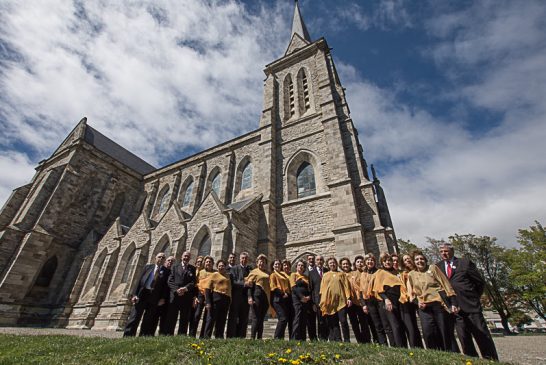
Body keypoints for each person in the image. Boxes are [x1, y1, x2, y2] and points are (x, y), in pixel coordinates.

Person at [436, 243, 498, 360]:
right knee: (464, 338)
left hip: (470, 306)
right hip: (454, 309)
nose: (444, 253)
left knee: (482, 336)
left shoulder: (464, 263)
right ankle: (472, 360)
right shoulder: (437, 267)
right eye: (441, 251)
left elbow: (479, 282)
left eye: (446, 251)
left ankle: (491, 360)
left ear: (452, 251)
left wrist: (473, 297)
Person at [408, 250, 458, 352]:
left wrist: (453, 302)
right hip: (424, 307)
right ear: (414, 262)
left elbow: (446, 284)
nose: (419, 261)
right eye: (417, 259)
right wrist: (417, 302)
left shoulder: (433, 268)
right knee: (428, 332)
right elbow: (411, 293)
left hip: (439, 304)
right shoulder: (411, 274)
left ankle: (450, 353)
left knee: (444, 331)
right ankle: (433, 353)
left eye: (421, 259)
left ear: (425, 260)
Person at [123, 252, 169, 337]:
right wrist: (134, 294)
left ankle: (143, 336)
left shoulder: (166, 271)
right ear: (155, 258)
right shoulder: (148, 267)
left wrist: (162, 298)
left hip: (155, 296)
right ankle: (128, 336)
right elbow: (139, 282)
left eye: (163, 257)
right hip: (142, 294)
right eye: (159, 257)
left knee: (148, 319)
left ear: (164, 260)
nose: (161, 259)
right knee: (135, 316)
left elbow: (165, 287)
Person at [370, 253, 408, 347]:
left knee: (400, 324)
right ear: (382, 263)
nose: (388, 262)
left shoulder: (396, 272)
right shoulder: (380, 273)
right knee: (394, 325)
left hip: (399, 300)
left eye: (389, 260)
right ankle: (398, 347)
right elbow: (378, 289)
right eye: (385, 261)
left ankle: (404, 346)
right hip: (388, 301)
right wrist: (386, 300)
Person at [320, 257, 352, 342]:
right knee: (334, 323)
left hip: (341, 302)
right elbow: (322, 290)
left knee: (343, 321)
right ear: (328, 265)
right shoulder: (325, 275)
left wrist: (348, 298)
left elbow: (346, 287)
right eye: (330, 263)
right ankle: (338, 340)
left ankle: (347, 340)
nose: (332, 264)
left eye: (334, 262)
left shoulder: (341, 274)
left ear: (336, 264)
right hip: (330, 303)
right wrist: (323, 302)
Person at [165, 251, 197, 335]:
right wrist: (177, 290)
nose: (186, 258)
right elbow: (170, 281)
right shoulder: (174, 267)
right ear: (181, 257)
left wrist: (185, 288)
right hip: (175, 296)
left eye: (188, 256)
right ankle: (168, 334)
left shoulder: (192, 268)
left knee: (184, 318)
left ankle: (181, 335)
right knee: (172, 316)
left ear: (190, 258)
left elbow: (193, 282)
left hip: (186, 296)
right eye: (185, 256)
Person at [341, 256, 371, 343]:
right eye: (343, 264)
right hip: (349, 302)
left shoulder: (355, 273)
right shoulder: (341, 275)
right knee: (354, 323)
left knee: (363, 321)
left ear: (350, 264)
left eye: (347, 264)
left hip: (358, 301)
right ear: (341, 266)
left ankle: (367, 340)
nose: (345, 265)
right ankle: (360, 341)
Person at [399, 254, 424, 348]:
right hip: (411, 301)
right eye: (405, 260)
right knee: (413, 326)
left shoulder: (421, 269)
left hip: (424, 299)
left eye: (408, 259)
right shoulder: (404, 273)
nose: (407, 261)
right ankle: (417, 347)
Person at [203, 259, 231, 339]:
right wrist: (208, 302)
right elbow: (207, 288)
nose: (221, 267)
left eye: (222, 266)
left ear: (225, 267)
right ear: (217, 267)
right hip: (216, 299)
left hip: (225, 300)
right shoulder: (214, 275)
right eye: (219, 266)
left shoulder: (228, 276)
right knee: (211, 319)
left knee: (221, 320)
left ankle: (219, 337)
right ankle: (206, 337)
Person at [226, 252, 251, 338]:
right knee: (233, 317)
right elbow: (233, 282)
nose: (244, 260)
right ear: (240, 259)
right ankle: (230, 337)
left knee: (244, 318)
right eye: (242, 258)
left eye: (246, 258)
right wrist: (244, 284)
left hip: (246, 297)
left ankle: (241, 337)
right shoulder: (234, 268)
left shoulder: (249, 270)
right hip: (236, 296)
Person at [246, 254, 270, 340]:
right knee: (256, 318)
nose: (262, 263)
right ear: (257, 263)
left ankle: (259, 338)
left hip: (265, 298)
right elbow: (249, 286)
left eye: (264, 262)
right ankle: (252, 338)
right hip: (257, 296)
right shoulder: (254, 272)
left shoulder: (267, 273)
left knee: (261, 319)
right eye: (260, 262)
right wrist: (250, 297)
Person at [190, 256, 215, 338]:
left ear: (212, 263)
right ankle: (192, 335)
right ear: (204, 263)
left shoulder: (215, 273)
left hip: (210, 296)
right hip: (200, 295)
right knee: (197, 315)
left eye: (210, 262)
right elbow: (195, 284)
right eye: (207, 262)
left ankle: (203, 336)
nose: (208, 263)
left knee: (207, 317)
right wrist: (194, 296)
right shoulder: (200, 272)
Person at [290, 259, 312, 341]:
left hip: (306, 300)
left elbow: (310, 289)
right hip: (297, 299)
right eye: (299, 265)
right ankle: (294, 339)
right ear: (296, 267)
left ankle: (302, 339)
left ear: (304, 267)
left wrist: (309, 297)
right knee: (297, 317)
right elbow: (293, 287)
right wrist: (302, 297)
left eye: (302, 265)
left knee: (304, 318)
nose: (300, 267)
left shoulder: (306, 277)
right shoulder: (293, 275)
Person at [270, 259, 291, 339]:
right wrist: (283, 293)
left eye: (279, 264)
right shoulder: (273, 275)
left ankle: (281, 338)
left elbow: (287, 287)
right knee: (283, 318)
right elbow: (273, 287)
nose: (277, 265)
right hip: (277, 299)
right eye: (276, 264)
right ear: (273, 266)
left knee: (284, 319)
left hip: (284, 299)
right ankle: (276, 338)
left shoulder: (283, 275)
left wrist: (287, 294)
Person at [308, 255, 328, 340]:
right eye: (318, 260)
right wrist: (313, 303)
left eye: (321, 260)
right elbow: (311, 289)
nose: (319, 261)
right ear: (315, 262)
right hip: (317, 301)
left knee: (327, 320)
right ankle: (321, 337)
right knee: (320, 320)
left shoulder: (327, 271)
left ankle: (328, 336)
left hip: (328, 299)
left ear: (323, 261)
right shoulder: (311, 273)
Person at [154, 255, 175, 335]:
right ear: (165, 261)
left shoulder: (172, 272)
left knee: (165, 318)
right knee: (154, 316)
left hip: (168, 298)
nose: (170, 262)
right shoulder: (159, 270)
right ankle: (149, 333)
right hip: (157, 297)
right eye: (169, 260)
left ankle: (162, 334)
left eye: (172, 261)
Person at [282, 259, 295, 339]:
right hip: (283, 299)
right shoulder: (280, 274)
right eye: (284, 265)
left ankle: (292, 338)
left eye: (288, 265)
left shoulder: (293, 274)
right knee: (283, 320)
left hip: (292, 299)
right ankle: (280, 338)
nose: (286, 266)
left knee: (292, 320)